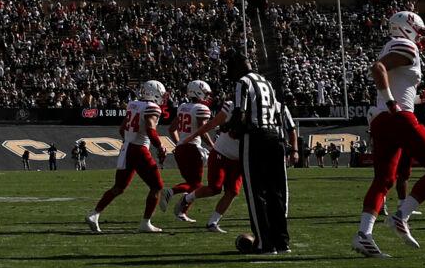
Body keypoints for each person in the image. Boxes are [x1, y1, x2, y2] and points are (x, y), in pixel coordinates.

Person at [357, 10, 425, 257]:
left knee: (384, 180)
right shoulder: (406, 45)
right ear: (408, 27)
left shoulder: (393, 46)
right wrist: (392, 104)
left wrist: (418, 98)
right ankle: (401, 216)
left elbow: (393, 83)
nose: (420, 36)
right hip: (397, 118)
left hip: (381, 120)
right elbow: (378, 69)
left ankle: (364, 234)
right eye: (419, 30)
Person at [218, 54, 296, 254]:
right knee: (275, 192)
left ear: (236, 68)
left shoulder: (242, 82)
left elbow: (240, 114)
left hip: (255, 138)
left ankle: (264, 243)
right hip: (275, 138)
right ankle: (282, 241)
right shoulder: (266, 82)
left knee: (256, 193)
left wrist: (228, 127)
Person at [88, 81, 169, 234]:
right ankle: (146, 223)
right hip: (139, 149)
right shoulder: (152, 107)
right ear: (154, 93)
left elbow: (121, 129)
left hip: (127, 148)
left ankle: (94, 214)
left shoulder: (133, 105)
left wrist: (130, 141)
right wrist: (160, 147)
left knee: (119, 187)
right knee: (157, 186)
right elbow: (151, 130)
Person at [166, 80, 212, 222]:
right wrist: (213, 146)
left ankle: (181, 212)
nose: (207, 96)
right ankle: (171, 192)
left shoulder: (182, 107)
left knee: (191, 183)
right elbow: (203, 131)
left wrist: (180, 143)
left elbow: (171, 129)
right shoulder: (200, 109)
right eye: (205, 93)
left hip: (181, 148)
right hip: (193, 149)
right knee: (196, 185)